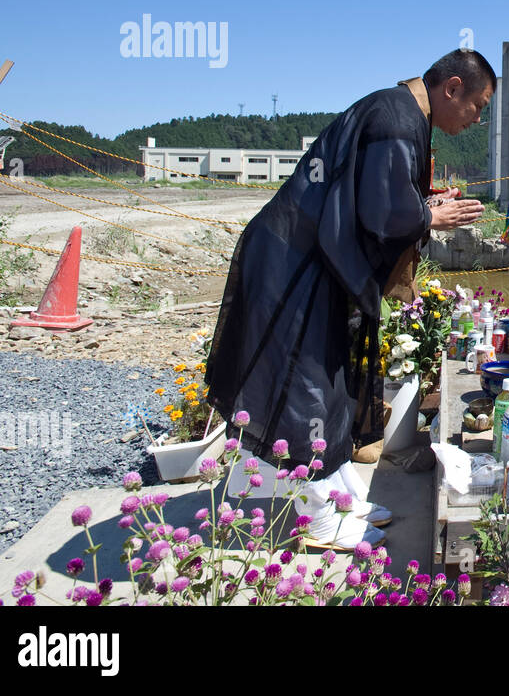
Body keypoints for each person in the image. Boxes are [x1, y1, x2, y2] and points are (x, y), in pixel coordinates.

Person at [205, 48, 492, 547]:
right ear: (452, 88)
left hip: (311, 260)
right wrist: (429, 218)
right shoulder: (398, 119)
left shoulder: (399, 112)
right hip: (293, 263)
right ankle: (319, 518)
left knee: (331, 383)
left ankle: (340, 494)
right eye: (478, 105)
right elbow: (381, 214)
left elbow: (373, 195)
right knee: (305, 384)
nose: (478, 118)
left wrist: (422, 204)